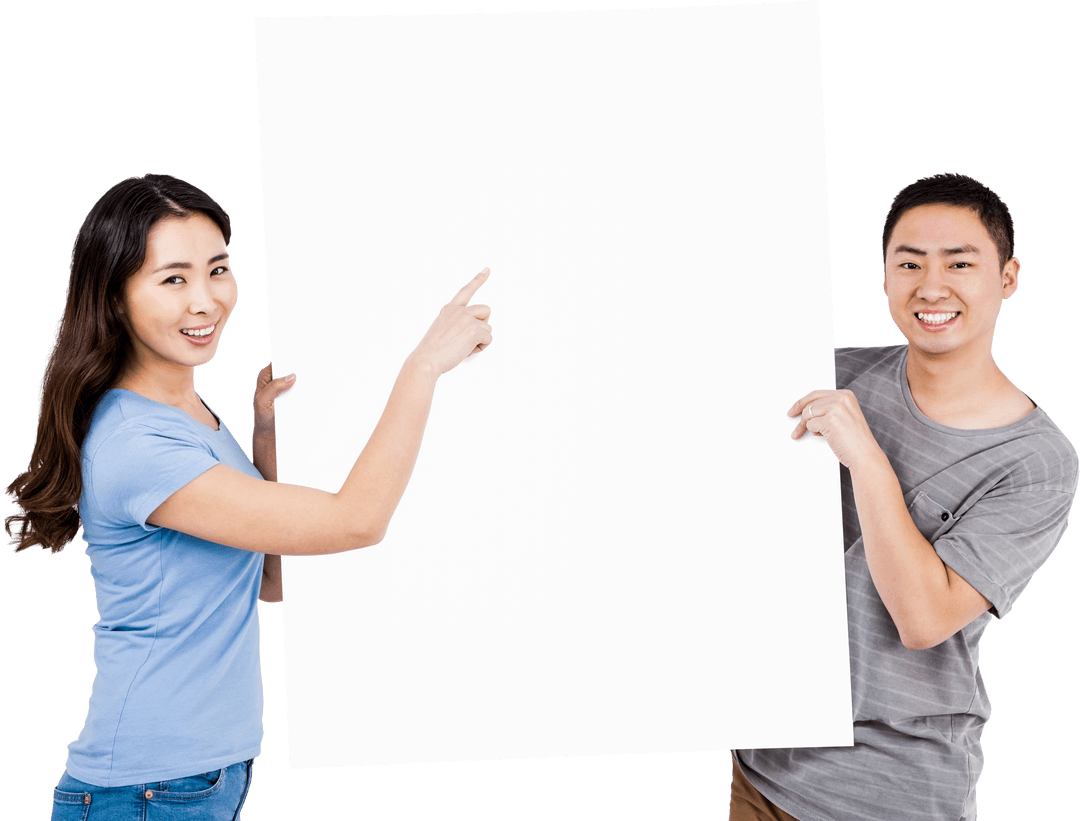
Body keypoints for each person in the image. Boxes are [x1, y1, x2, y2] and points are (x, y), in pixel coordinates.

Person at [4, 173, 493, 820]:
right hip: (148, 790)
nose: (205, 301)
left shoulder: (189, 412)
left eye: (218, 270)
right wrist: (423, 366)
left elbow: (265, 578)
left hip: (196, 777)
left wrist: (264, 433)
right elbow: (356, 520)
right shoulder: (137, 442)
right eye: (173, 279)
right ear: (116, 297)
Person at [728, 173, 1078, 820]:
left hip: (889, 794)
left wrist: (866, 456)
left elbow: (924, 618)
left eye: (960, 263)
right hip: (764, 771)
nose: (931, 285)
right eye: (909, 263)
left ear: (1007, 277)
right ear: (885, 277)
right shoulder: (836, 375)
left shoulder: (1036, 462)